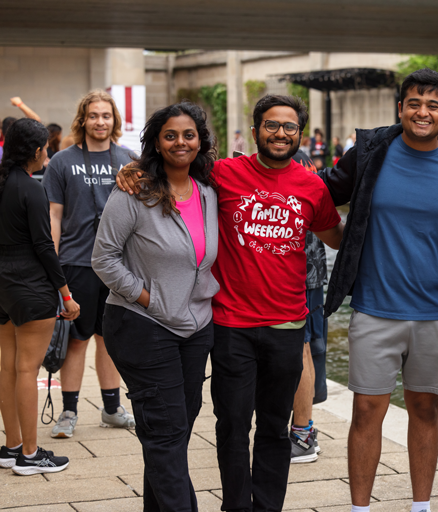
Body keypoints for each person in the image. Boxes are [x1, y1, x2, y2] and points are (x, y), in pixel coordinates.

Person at [117, 94, 344, 511]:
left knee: (275, 429)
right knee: (233, 427)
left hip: (288, 326)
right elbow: (175, 162)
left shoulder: (313, 186)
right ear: (255, 131)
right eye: (271, 126)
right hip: (230, 326)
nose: (280, 133)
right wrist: (132, 169)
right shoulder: (223, 173)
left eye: (289, 126)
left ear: (300, 134)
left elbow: (338, 238)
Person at [319, 68, 438, 512]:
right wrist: (339, 238)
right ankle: (359, 508)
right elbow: (319, 192)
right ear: (401, 107)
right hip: (375, 307)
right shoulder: (370, 154)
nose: (422, 112)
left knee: (425, 410)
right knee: (367, 411)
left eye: (432, 105)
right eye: (414, 103)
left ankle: (421, 506)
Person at [92, 102, 219, 511]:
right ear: (156, 142)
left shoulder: (208, 193)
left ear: (200, 140)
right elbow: (103, 258)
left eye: (188, 135)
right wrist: (148, 297)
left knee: (173, 431)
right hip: (141, 324)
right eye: (170, 135)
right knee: (166, 431)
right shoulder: (133, 192)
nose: (180, 142)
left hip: (195, 327)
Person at [42, 90, 136, 439]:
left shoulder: (128, 159)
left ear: (114, 120)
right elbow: (54, 215)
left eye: (106, 116)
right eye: (94, 115)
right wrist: (51, 267)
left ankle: (112, 409)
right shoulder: (62, 162)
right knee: (77, 340)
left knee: (108, 339)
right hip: (75, 263)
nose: (100, 121)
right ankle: (68, 411)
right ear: (83, 119)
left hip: (117, 265)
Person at [0, 118, 80, 475]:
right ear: (36, 151)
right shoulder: (31, 189)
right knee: (27, 370)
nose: (47, 155)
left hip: (1, 287)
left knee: (7, 368)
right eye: (45, 149)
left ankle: (11, 447)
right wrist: (65, 294)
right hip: (30, 287)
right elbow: (45, 246)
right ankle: (30, 456)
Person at [289, 151, 329, 464]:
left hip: (300, 272)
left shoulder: (296, 163)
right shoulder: (303, 161)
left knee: (301, 348)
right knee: (304, 348)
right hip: (307, 271)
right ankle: (302, 430)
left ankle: (302, 434)